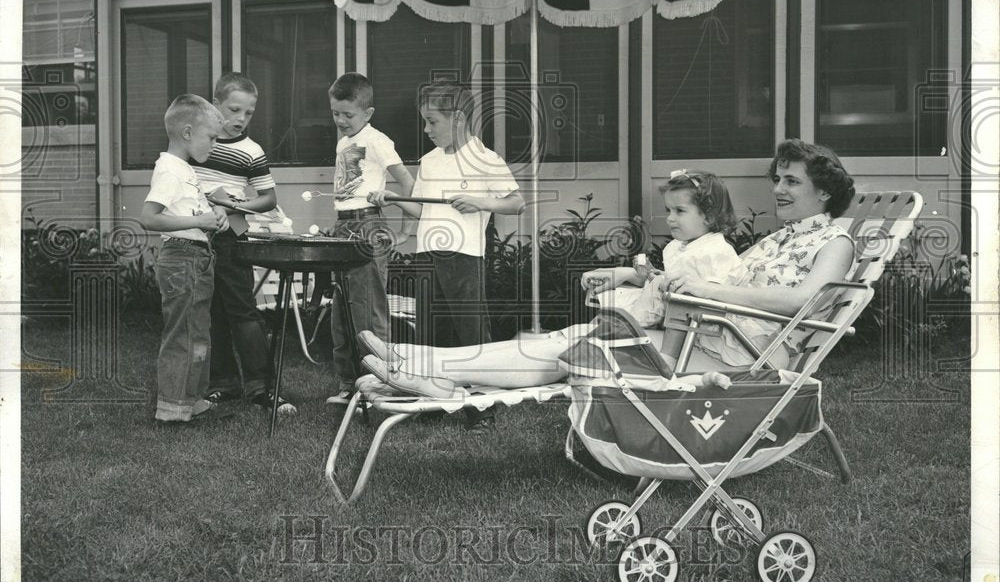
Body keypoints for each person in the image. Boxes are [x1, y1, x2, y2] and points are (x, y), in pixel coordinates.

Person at [358, 139, 856, 394]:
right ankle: (426, 367)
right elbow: (704, 276)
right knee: (569, 342)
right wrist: (629, 275)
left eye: (791, 181)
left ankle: (425, 367)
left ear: (825, 192)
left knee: (572, 347)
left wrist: (712, 294)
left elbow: (803, 302)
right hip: (712, 331)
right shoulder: (785, 237)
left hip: (741, 352)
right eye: (779, 179)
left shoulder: (835, 241)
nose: (779, 189)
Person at [368, 79, 525, 429]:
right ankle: (436, 405)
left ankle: (482, 410)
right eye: (424, 121)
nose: (426, 129)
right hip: (428, 255)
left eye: (432, 121)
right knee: (431, 333)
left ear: (457, 119)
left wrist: (481, 202)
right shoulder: (430, 161)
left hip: (464, 256)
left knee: (471, 334)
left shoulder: (485, 158)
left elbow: (516, 203)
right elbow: (423, 210)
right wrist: (392, 198)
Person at [192, 72, 296, 414]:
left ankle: (262, 387)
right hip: (194, 237)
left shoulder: (251, 151)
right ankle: (224, 383)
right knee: (211, 314)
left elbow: (268, 198)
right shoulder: (194, 142)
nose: (240, 119)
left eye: (248, 113)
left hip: (230, 238)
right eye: (234, 110)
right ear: (215, 103)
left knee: (242, 312)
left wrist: (236, 206)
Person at [325, 72, 415, 406]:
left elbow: (407, 184)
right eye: (336, 113)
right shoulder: (343, 141)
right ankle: (349, 383)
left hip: (368, 225)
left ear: (368, 113)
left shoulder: (377, 140)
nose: (341, 120)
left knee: (369, 311)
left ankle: (378, 383)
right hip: (344, 227)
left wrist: (406, 229)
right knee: (343, 311)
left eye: (348, 114)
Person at [585, 169, 741, 359]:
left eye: (680, 211)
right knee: (624, 299)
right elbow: (676, 281)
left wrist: (663, 285)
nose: (670, 218)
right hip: (685, 319)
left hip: (715, 332)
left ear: (709, 217)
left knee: (680, 300)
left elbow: (707, 299)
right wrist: (651, 275)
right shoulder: (683, 245)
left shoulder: (714, 252)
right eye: (668, 210)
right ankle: (604, 331)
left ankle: (667, 357)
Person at [140, 94, 230, 423]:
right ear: (188, 132)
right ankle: (172, 407)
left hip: (197, 257)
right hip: (181, 258)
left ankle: (190, 399)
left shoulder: (184, 170)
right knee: (184, 333)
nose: (215, 144)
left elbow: (192, 211)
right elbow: (149, 218)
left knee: (198, 331)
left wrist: (214, 214)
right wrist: (199, 222)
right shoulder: (169, 169)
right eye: (212, 137)